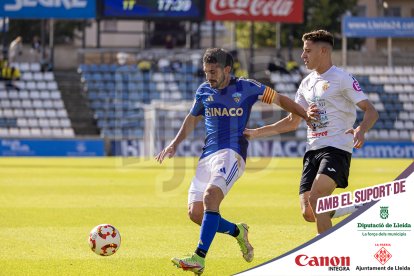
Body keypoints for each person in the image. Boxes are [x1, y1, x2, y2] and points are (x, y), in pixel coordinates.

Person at [155, 48, 317, 274]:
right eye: (205, 72)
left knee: (211, 197)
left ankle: (198, 258)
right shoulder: (203, 91)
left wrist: (304, 115)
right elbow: (191, 119)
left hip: (233, 153)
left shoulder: (248, 87)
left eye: (213, 71)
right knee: (196, 213)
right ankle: (238, 231)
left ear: (227, 70)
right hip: (207, 156)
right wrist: (174, 144)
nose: (208, 76)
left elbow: (281, 100)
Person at [244, 30, 379, 235]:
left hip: (336, 148)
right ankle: (358, 207)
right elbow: (292, 121)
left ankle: (323, 255)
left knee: (317, 200)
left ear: (323, 51)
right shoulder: (306, 83)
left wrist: (361, 130)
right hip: (312, 150)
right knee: (309, 211)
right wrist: (255, 132)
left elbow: (371, 110)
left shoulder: (341, 78)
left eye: (308, 50)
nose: (302, 55)